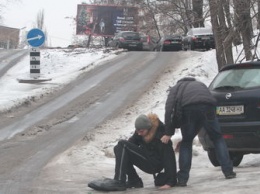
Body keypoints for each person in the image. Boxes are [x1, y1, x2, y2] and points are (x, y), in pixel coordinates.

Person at [161, 77, 236, 187]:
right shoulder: (200, 85)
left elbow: (169, 110)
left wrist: (168, 132)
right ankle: (228, 171)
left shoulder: (176, 88)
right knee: (217, 138)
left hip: (189, 109)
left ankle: (182, 179)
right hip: (208, 107)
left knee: (186, 142)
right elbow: (210, 99)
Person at [88, 113, 177, 191]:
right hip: (147, 158)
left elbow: (169, 158)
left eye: (141, 131)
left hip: (155, 164)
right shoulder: (141, 131)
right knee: (118, 148)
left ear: (148, 128)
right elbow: (129, 145)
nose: (139, 134)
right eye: (137, 131)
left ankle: (119, 181)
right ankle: (134, 180)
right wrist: (121, 150)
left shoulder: (161, 135)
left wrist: (170, 182)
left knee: (122, 145)